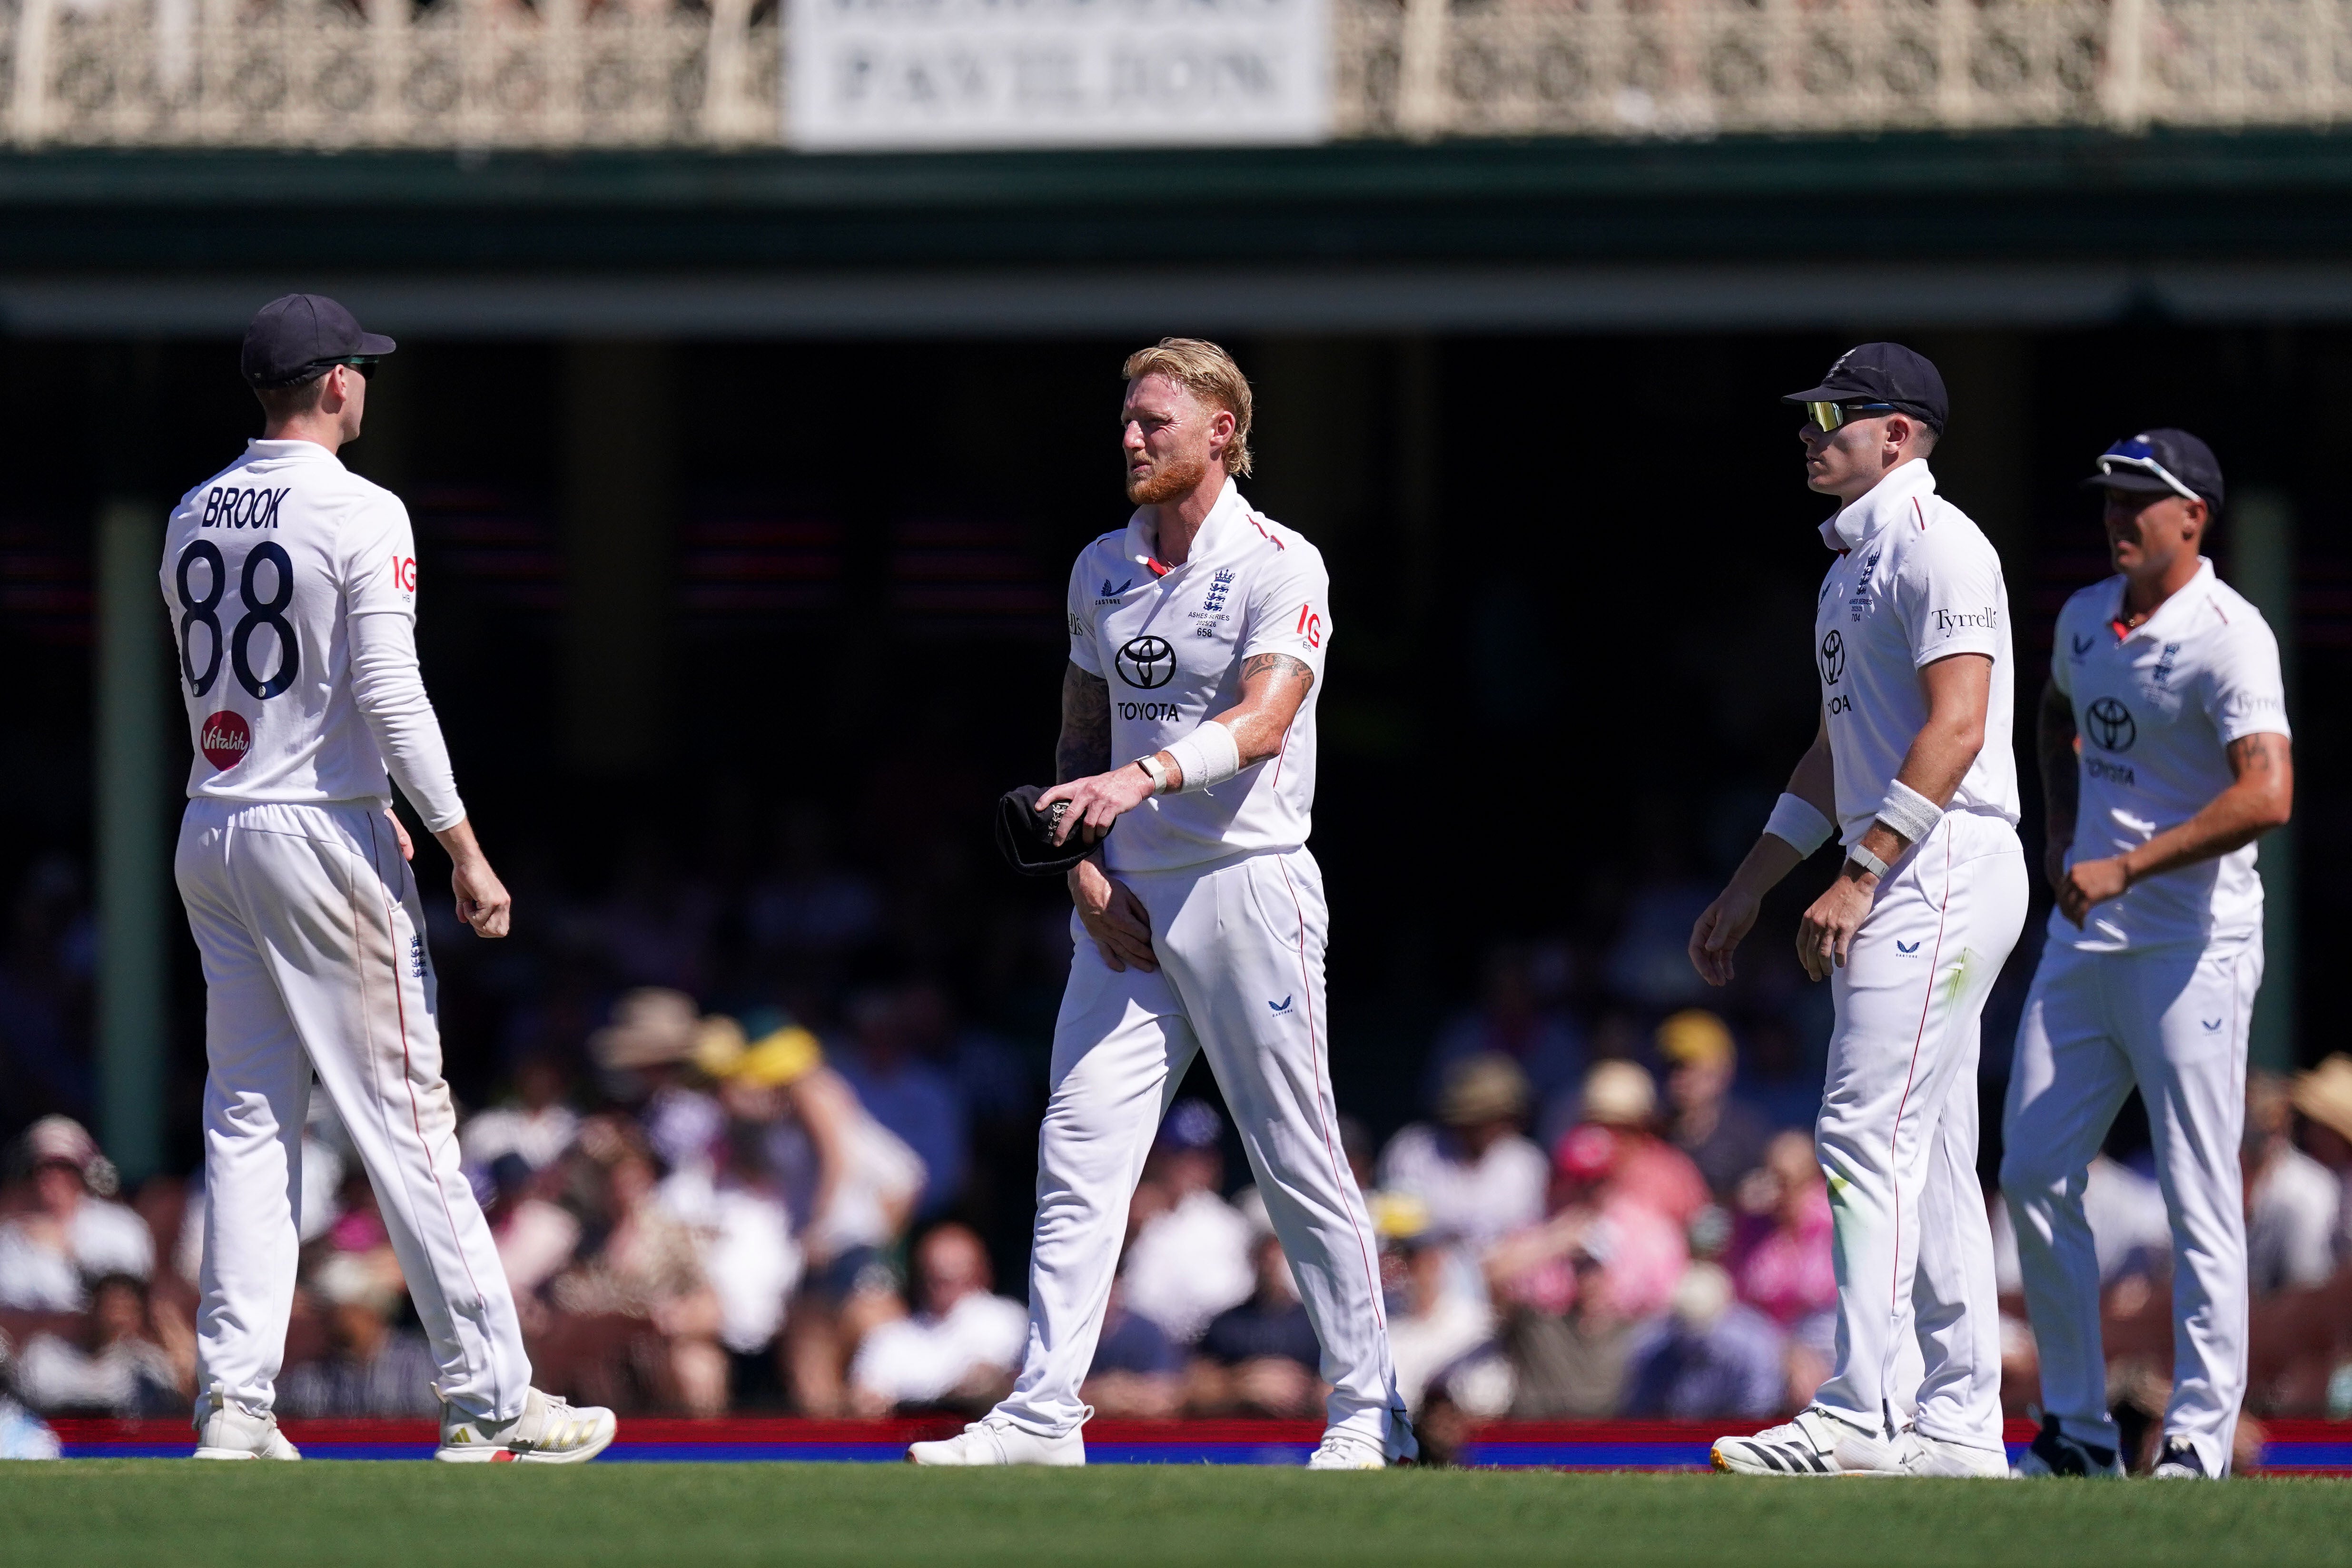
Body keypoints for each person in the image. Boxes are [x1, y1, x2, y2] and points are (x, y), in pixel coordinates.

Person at [909, 338, 1409, 1470]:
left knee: (1295, 1152)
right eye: (1128, 420)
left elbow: (1267, 718)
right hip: (1126, 901)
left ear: (1222, 430)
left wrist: (1139, 783)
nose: (1132, 438)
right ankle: (1044, 1410)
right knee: (1080, 1144)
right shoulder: (1100, 564)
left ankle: (1369, 1408)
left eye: (1157, 423)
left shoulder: (1282, 560)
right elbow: (1081, 737)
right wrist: (1082, 867)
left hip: (1250, 884)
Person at [161, 295, 612, 1463]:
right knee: (409, 1119)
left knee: (251, 1121)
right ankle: (491, 1394)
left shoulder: (189, 509)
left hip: (216, 821)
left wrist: (352, 793)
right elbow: (387, 690)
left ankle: (234, 1403)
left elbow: (257, 697)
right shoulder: (362, 508)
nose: (367, 382)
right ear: (336, 386)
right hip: (320, 832)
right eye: (360, 368)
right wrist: (459, 839)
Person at [1689, 344, 2026, 1479]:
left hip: (1943, 857)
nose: (1808, 429)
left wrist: (1863, 866)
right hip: (1916, 857)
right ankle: (1961, 1425)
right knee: (1923, 1147)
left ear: (1899, 433)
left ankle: (1857, 1411)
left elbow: (1960, 725)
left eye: (1833, 412)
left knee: (1858, 1130)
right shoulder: (1850, 570)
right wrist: (1754, 879)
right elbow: (1845, 744)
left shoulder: (1941, 544)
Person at [1999, 430, 2293, 1482]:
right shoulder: (2084, 616)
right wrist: (2058, 833)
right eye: (2111, 499)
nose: (2119, 517)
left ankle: (2196, 1445)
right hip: (2085, 941)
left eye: (2141, 501)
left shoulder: (2229, 636)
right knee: (2032, 1172)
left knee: (2195, 1194)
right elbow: (2052, 714)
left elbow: (2267, 793)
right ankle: (2076, 1432)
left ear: (2193, 519)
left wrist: (2130, 866)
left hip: (2191, 947)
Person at [1376, 1055, 1548, 1254]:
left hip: (1503, 1272)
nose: (1479, 1129)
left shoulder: (1525, 1162)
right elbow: (1393, 1232)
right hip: (1421, 1270)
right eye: (1472, 1120)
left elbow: (1528, 1237)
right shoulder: (1413, 1151)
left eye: (1490, 1119)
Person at [848, 1224, 1027, 1415]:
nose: (943, 1287)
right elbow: (864, 1397)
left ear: (981, 1274)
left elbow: (984, 1382)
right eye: (934, 1276)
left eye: (955, 1275)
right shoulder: (890, 1337)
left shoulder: (1004, 1316)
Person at [0, 1117, 152, 1313]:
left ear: (83, 1171)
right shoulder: (9, 1238)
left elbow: (129, 1297)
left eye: (63, 1167)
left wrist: (68, 1250)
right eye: (41, 1168)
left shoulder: (122, 1227)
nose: (51, 1177)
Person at [1658, 1010, 1771, 1201]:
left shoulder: (1746, 1134)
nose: (1678, 1078)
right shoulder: (1657, 1132)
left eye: (1688, 1066)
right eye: (1670, 1066)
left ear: (1722, 1071)